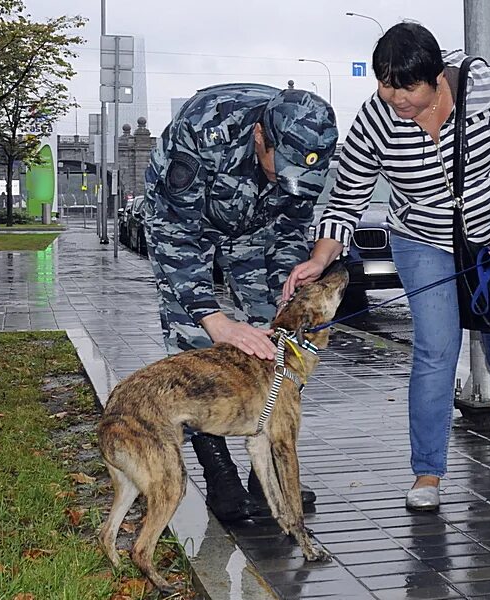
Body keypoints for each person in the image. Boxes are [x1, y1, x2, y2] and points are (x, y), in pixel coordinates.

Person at [283, 22, 490, 510]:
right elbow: (347, 198)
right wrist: (320, 257)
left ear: (436, 79)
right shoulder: (376, 118)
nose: (396, 99)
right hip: (421, 240)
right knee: (435, 351)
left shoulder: (484, 94)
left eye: (407, 88)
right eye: (386, 86)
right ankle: (427, 474)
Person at [144, 84, 338, 522]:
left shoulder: (310, 145)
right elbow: (173, 235)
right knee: (193, 341)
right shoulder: (203, 131)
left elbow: (289, 223)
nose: (284, 177)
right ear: (258, 136)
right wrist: (215, 320)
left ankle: (264, 470)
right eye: (278, 166)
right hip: (189, 221)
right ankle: (221, 479)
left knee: (283, 342)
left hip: (254, 230)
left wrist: (290, 287)